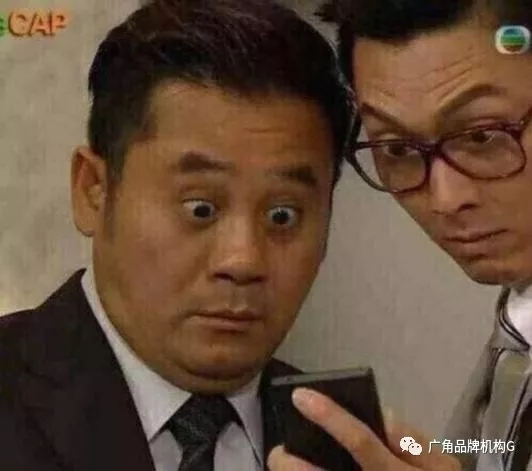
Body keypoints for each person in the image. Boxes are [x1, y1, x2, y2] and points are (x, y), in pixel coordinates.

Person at [0, 0, 354, 470]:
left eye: (283, 216)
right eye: (200, 209)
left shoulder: (346, 440)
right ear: (93, 191)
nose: (243, 260)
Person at [270, 0, 532, 470]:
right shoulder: (517, 332)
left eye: (482, 135)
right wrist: (408, 451)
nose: (445, 198)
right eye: (396, 149)